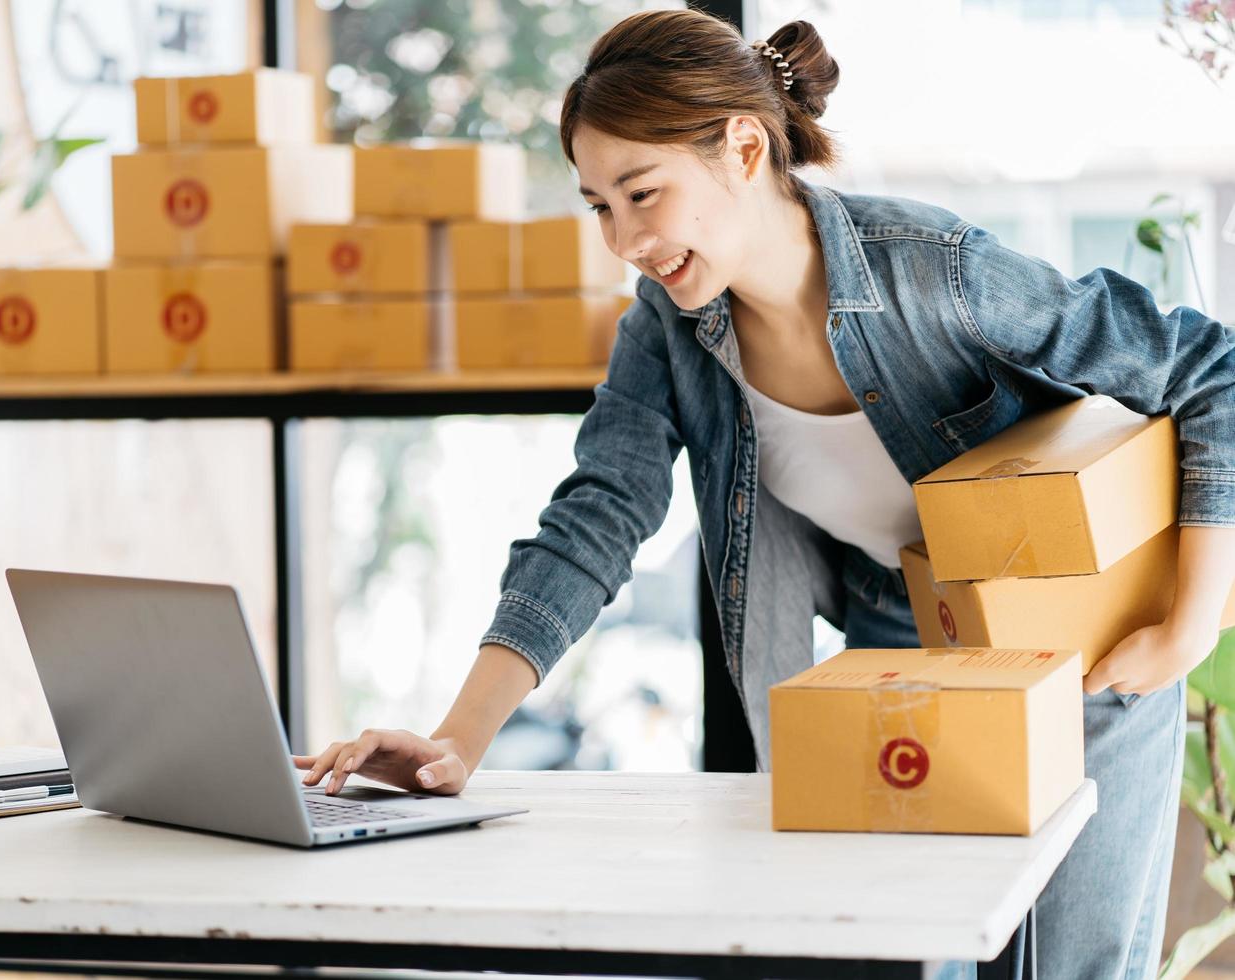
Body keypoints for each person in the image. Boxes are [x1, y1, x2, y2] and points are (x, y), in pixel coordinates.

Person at [294, 10, 1235, 978]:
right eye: (599, 206)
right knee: (915, 959)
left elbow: (1210, 367)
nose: (624, 239)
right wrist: (457, 742)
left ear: (744, 146)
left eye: (641, 192)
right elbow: (597, 513)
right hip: (908, 653)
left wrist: (1189, 626)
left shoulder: (934, 270)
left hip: (1087, 658)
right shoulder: (668, 326)